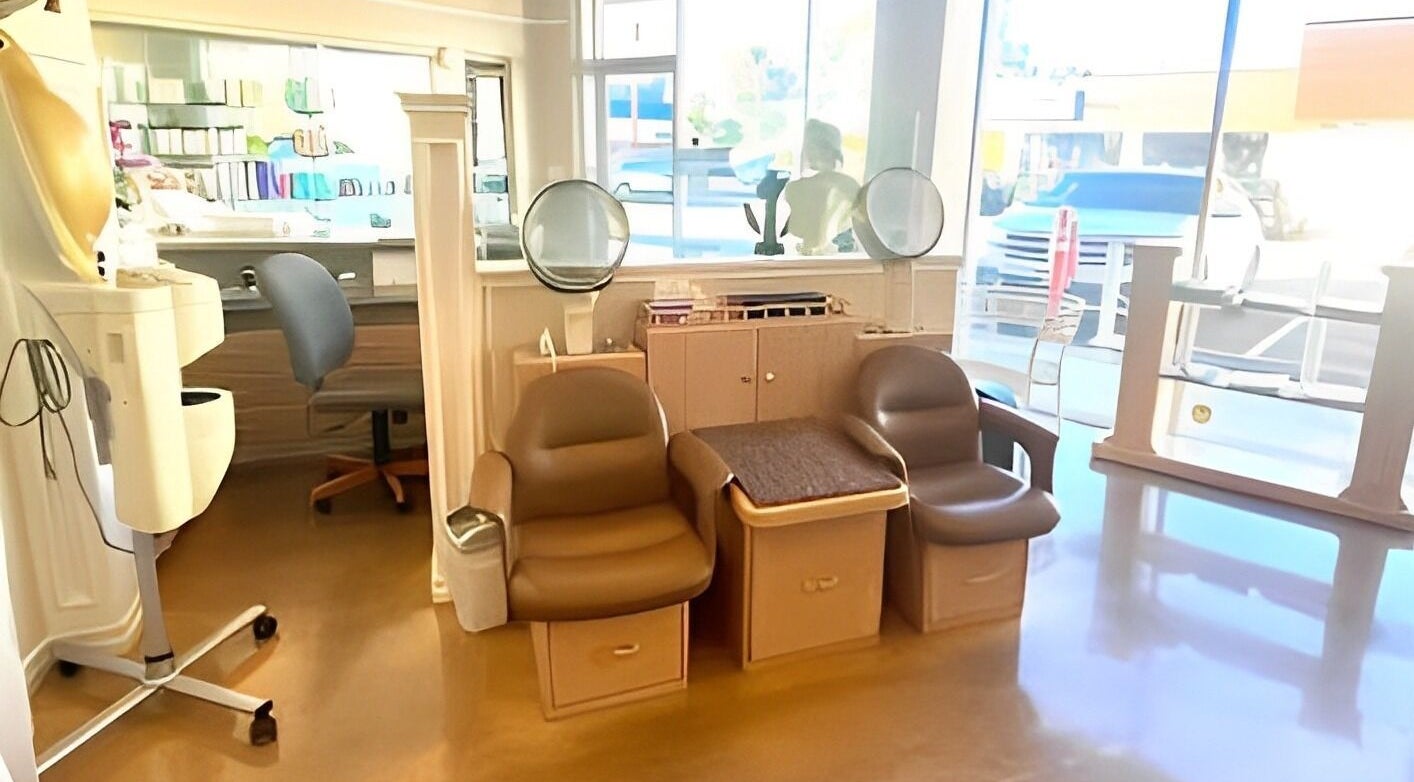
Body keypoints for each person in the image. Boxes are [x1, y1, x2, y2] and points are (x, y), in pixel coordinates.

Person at [783, 119, 859, 255]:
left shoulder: (794, 189)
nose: (808, 151)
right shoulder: (850, 185)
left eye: (810, 146)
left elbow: (796, 229)